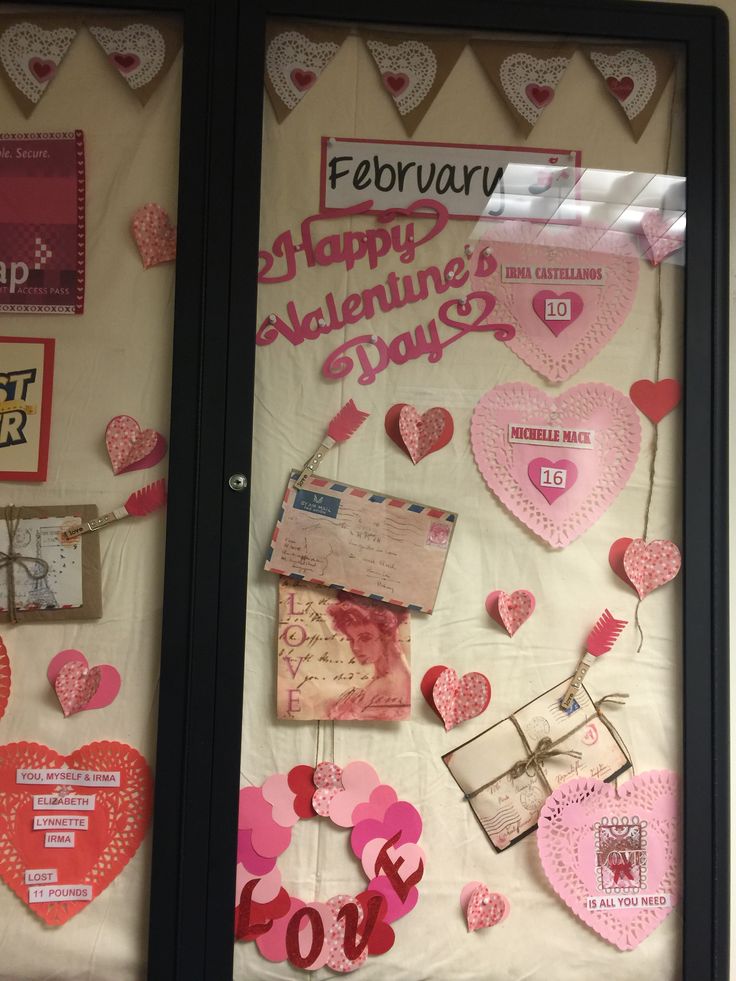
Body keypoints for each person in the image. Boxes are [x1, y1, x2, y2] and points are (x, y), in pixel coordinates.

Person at [325, 593, 411, 721]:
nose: (356, 647)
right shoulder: (383, 680)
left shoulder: (387, 686)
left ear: (387, 636)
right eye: (351, 639)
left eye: (365, 638)